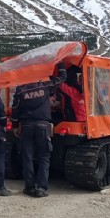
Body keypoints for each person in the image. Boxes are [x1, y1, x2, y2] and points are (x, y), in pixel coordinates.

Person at [11, 63, 66, 198]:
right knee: (44, 157)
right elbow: (62, 78)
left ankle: (29, 187)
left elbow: (15, 109)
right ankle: (41, 188)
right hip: (42, 126)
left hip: (26, 126)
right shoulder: (45, 85)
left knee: (27, 157)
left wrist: (14, 125)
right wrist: (60, 65)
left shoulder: (20, 89)